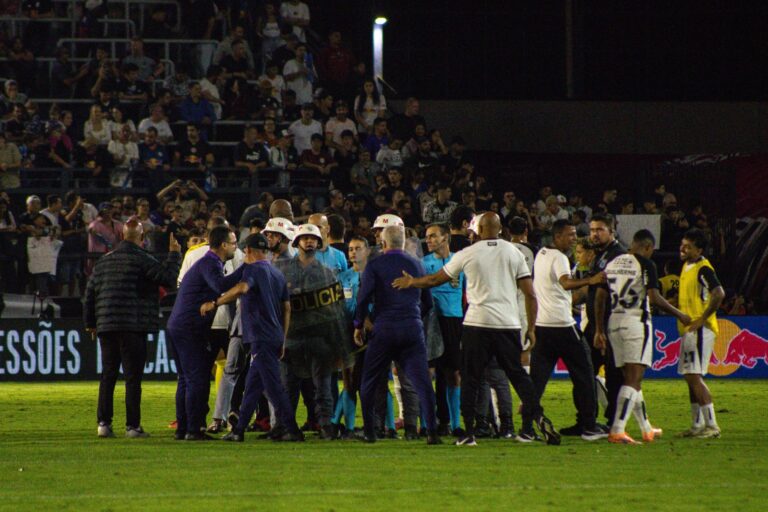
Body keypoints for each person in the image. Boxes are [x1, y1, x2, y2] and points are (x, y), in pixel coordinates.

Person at [393, 212, 561, 446]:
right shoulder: (514, 252)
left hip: (477, 324)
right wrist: (531, 328)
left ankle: (469, 432)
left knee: (471, 378)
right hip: (508, 323)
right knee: (517, 374)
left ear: (479, 230)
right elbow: (530, 295)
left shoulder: (468, 253)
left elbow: (434, 280)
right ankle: (538, 416)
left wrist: (412, 282)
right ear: (500, 229)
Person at [201, 234, 303, 442]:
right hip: (274, 336)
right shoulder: (277, 273)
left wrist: (216, 303)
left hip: (260, 336)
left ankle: (292, 429)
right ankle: (238, 430)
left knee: (273, 386)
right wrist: (282, 339)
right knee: (253, 385)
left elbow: (242, 288)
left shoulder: (252, 269)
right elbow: (287, 308)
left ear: (247, 250)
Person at [84, 219, 181, 438]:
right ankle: (132, 426)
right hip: (133, 325)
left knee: (108, 375)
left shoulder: (103, 261)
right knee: (132, 377)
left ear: (122, 236)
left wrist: (90, 323)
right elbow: (168, 279)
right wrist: (174, 254)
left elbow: (89, 294)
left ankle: (103, 424)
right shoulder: (143, 259)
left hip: (107, 326)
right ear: (142, 238)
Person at [595, 229, 691, 444]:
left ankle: (646, 428)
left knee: (631, 379)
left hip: (614, 323)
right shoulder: (646, 264)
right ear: (648, 247)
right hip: (635, 323)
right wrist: (679, 314)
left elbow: (600, 296)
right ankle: (617, 429)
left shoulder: (612, 263)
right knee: (633, 379)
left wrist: (599, 329)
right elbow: (654, 297)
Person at [354, 225, 441, 445]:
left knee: (369, 381)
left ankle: (370, 432)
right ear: (403, 242)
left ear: (383, 243)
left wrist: (358, 325)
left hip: (384, 329)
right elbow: (428, 303)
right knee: (422, 383)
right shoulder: (417, 264)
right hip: (411, 329)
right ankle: (432, 432)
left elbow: (363, 299)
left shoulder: (375, 265)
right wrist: (413, 317)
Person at [530, 220, 607, 441]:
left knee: (536, 380)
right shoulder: (560, 258)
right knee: (585, 374)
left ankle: (526, 428)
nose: (574, 239)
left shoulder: (541, 253)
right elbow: (565, 283)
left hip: (542, 325)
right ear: (557, 237)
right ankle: (589, 426)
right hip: (562, 326)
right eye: (570, 235)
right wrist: (592, 280)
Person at [275, 224, 351, 439]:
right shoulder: (282, 270)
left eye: (313, 238)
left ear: (319, 243)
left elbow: (337, 309)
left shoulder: (327, 273)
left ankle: (326, 426)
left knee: (323, 388)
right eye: (305, 237)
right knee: (288, 387)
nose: (309, 241)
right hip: (291, 337)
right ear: (296, 241)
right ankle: (285, 427)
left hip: (319, 338)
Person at [166, 226, 243, 440]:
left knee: (185, 379)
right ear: (223, 245)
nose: (236, 247)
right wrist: (245, 269)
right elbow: (220, 284)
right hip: (189, 327)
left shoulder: (207, 262)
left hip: (178, 324)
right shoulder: (210, 263)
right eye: (234, 243)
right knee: (196, 379)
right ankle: (193, 429)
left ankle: (183, 428)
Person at [676, 228, 725, 438]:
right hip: (689, 330)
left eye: (688, 247)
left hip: (700, 330)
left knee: (693, 375)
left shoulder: (703, 268)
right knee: (690, 377)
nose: (682, 249)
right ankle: (697, 425)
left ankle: (712, 426)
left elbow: (719, 293)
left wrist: (702, 319)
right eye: (682, 245)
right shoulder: (687, 266)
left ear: (699, 250)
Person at [583, 213, 626, 432]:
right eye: (592, 230)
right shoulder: (600, 255)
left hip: (609, 325)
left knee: (613, 374)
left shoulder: (617, 256)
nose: (594, 234)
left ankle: (614, 421)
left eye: (599, 230)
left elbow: (603, 294)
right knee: (584, 370)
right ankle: (586, 420)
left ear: (612, 231)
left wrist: (600, 330)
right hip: (595, 325)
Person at [422, 223, 464, 436]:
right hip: (431, 321)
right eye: (427, 237)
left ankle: (455, 425)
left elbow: (467, 294)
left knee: (453, 373)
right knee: (429, 372)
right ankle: (428, 423)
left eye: (432, 236)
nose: (428, 240)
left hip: (454, 321)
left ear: (445, 237)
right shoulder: (424, 263)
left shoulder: (460, 261)